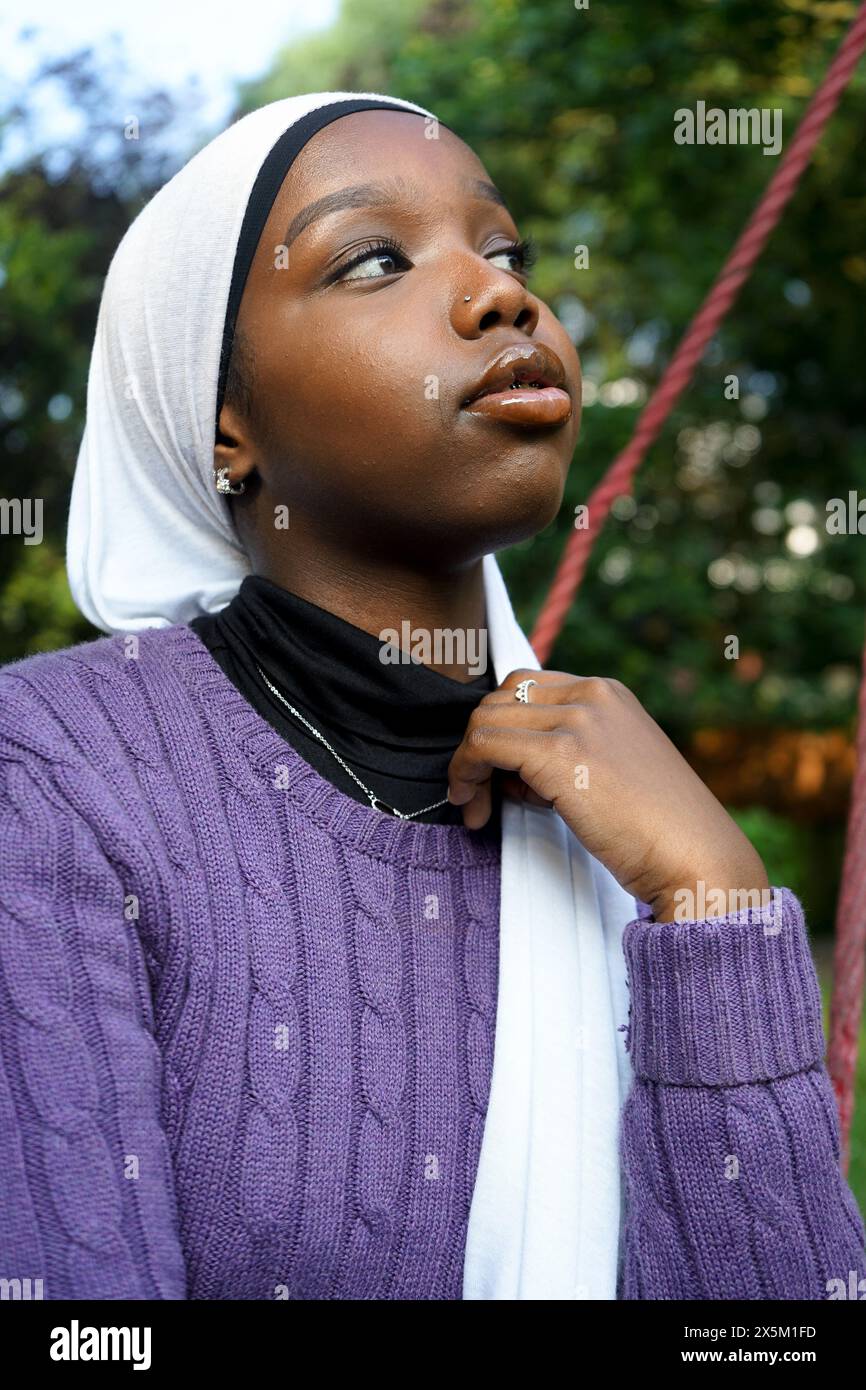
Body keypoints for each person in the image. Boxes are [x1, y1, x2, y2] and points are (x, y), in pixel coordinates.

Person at [0, 90, 863, 1301]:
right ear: (223, 426)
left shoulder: (625, 811)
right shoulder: (51, 774)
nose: (500, 293)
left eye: (502, 249)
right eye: (374, 259)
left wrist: (710, 902)